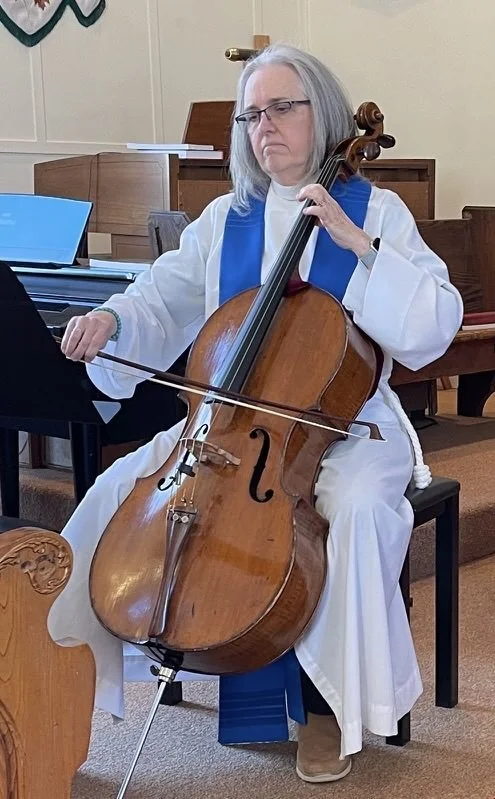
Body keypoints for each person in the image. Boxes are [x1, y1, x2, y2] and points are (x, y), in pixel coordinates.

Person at [48, 43, 463, 784]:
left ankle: (329, 707)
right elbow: (162, 296)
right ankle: (69, 680)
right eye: (250, 115)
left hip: (348, 428)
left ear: (322, 114)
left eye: (280, 108)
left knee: (358, 510)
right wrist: (112, 321)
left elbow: (434, 323)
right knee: (116, 491)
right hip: (229, 423)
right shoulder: (227, 217)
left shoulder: (376, 210)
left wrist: (358, 245)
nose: (263, 126)